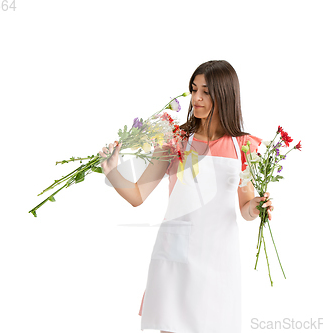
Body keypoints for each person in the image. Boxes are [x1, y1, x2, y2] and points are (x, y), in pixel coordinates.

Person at [99, 60, 274, 333]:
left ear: (225, 94)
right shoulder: (177, 139)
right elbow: (137, 194)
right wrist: (112, 171)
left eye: (205, 91)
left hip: (219, 259)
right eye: (193, 90)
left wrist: (257, 207)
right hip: (175, 257)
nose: (196, 99)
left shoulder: (244, 146)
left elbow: (244, 208)